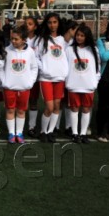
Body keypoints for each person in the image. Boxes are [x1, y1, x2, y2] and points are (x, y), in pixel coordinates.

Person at [1, 25, 38, 144]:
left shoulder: (30, 52)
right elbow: (1, 67)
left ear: (24, 39)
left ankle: (19, 133)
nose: (13, 41)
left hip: (24, 87)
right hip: (9, 87)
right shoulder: (7, 50)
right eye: (12, 38)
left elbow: (34, 68)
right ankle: (11, 133)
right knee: (10, 110)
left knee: (21, 111)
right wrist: (4, 81)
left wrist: (30, 82)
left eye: (16, 39)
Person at [36, 13, 69, 141]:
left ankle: (50, 131)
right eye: (50, 22)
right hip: (46, 78)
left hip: (60, 78)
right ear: (46, 24)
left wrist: (64, 72)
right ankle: (43, 131)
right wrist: (44, 69)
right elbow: (36, 57)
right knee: (49, 107)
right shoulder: (41, 39)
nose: (52, 25)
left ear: (58, 23)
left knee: (57, 106)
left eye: (55, 22)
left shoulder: (63, 40)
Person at [65, 24, 100, 143]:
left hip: (88, 86)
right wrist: (67, 81)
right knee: (74, 109)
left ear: (87, 37)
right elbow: (65, 66)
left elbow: (98, 68)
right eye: (78, 35)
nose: (79, 38)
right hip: (73, 85)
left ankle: (83, 133)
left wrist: (95, 82)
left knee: (86, 109)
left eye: (82, 36)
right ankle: (75, 133)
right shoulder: (69, 49)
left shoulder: (93, 49)